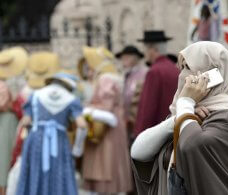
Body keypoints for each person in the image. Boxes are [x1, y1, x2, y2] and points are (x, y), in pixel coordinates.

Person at [131, 41, 228, 195]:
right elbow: (138, 152)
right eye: (181, 67)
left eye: (188, 67)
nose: (181, 75)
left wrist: (185, 102)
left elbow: (192, 146)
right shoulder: (187, 113)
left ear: (212, 75)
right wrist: (176, 119)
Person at [16, 72, 87, 195]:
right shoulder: (71, 99)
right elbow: (82, 125)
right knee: (58, 172)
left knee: (35, 171)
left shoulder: (36, 95)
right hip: (59, 142)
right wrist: (78, 148)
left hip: (36, 140)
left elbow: (25, 121)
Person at [79, 47, 133, 195]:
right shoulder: (110, 75)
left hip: (106, 128)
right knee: (110, 163)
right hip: (114, 124)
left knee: (105, 165)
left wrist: (85, 108)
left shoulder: (105, 78)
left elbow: (105, 106)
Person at [134, 30, 179, 137]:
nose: (144, 53)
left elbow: (148, 107)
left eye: (145, 48)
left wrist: (140, 135)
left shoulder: (154, 71)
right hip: (173, 127)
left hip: (157, 132)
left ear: (152, 49)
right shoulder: (175, 68)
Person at [0, 47, 28, 195]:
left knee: (5, 156)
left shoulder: (10, 83)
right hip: (8, 121)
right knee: (5, 156)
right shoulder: (14, 82)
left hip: (8, 122)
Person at [115, 45, 148, 141]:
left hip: (137, 119)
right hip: (126, 120)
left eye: (126, 58)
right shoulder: (126, 74)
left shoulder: (144, 73)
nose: (123, 61)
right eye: (123, 58)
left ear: (135, 58)